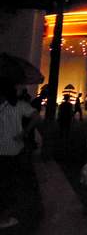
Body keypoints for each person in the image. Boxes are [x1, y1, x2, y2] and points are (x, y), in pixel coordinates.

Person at [0, 78, 41, 230]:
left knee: (5, 183)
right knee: (10, 184)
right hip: (13, 150)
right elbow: (36, 116)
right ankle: (5, 217)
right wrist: (24, 132)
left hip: (6, 150)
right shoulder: (18, 105)